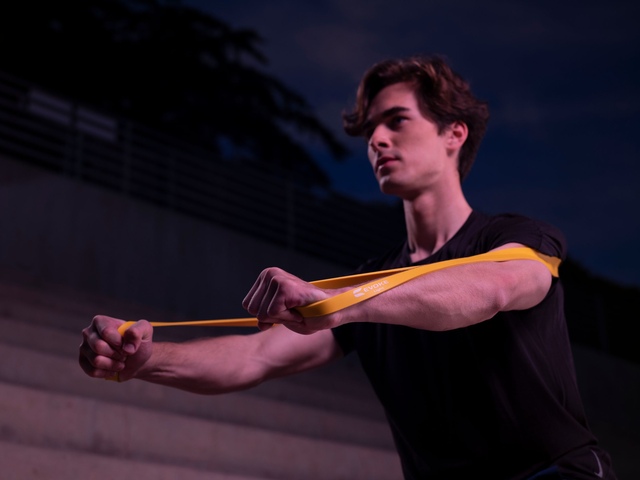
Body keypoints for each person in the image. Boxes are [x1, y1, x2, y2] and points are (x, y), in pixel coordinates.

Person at [79, 54, 617, 480]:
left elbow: (494, 287)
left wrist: (344, 304)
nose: (376, 140)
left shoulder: (518, 238)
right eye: (370, 131)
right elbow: (254, 356)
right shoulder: (366, 283)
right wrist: (146, 359)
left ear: (454, 134)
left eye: (397, 121)